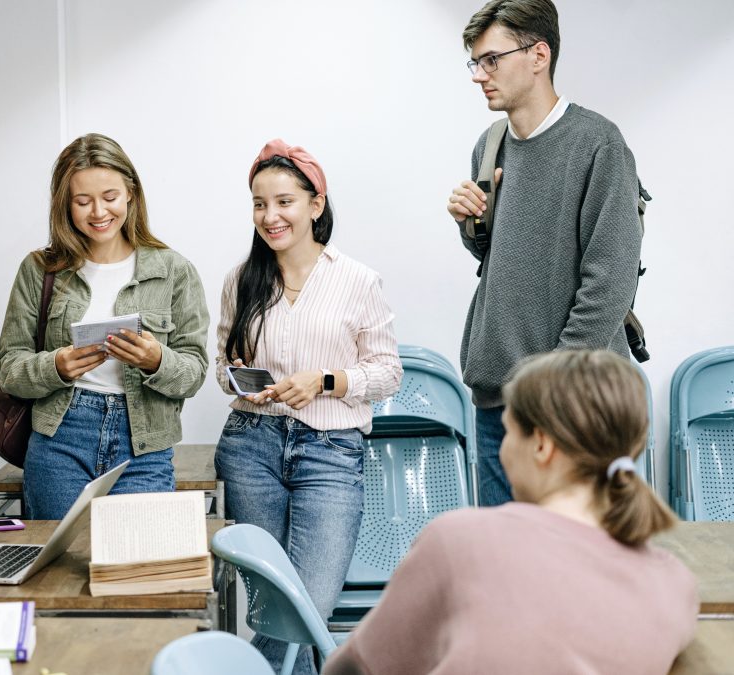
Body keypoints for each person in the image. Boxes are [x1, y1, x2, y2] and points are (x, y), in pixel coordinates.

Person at [323, 350, 697, 675]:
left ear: (542, 446)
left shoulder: (460, 541)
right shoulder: (675, 585)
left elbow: (357, 668)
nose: (502, 451)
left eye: (508, 433)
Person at [215, 138, 402, 675]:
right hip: (251, 448)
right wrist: (241, 381)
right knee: (271, 607)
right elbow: (221, 368)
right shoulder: (241, 280)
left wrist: (325, 380)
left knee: (305, 608)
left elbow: (388, 373)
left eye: (284, 202)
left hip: (331, 452)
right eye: (258, 204)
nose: (269, 216)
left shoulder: (358, 280)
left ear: (315, 205)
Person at [446, 0, 644, 506]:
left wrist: (551, 386)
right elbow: (498, 259)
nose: (479, 75)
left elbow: (610, 279)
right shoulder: (488, 146)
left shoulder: (598, 143)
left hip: (572, 406)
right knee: (504, 572)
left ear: (538, 55)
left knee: (579, 571)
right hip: (497, 404)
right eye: (476, 62)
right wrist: (471, 224)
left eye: (492, 60)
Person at [0, 132, 209, 519]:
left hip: (144, 444)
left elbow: (194, 373)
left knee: (135, 570)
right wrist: (56, 366)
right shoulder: (39, 271)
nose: (98, 212)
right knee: (57, 571)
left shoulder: (174, 271)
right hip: (60, 439)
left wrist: (157, 360)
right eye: (82, 201)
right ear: (65, 204)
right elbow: (9, 368)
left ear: (131, 193)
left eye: (109, 197)